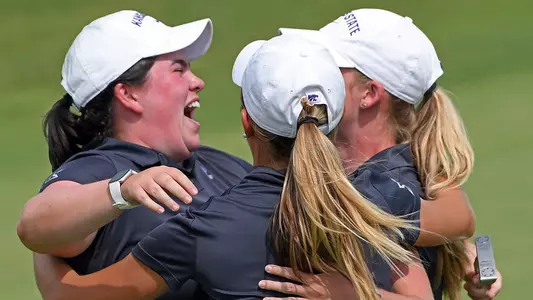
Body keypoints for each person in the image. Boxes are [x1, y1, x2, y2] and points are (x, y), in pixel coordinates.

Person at [29, 34, 428, 300]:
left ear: (246, 122)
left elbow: (83, 295)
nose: (196, 81)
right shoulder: (376, 199)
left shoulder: (203, 228)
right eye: (179, 67)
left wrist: (46, 260)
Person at [251, 8, 502, 300]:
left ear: (369, 94)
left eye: (330, 65)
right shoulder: (404, 174)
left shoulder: (380, 190)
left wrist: (347, 295)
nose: (314, 73)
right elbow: (460, 220)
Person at [16, 10, 253, 300]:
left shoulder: (219, 163)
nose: (198, 81)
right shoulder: (101, 168)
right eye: (179, 69)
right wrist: (123, 190)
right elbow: (34, 225)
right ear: (129, 95)